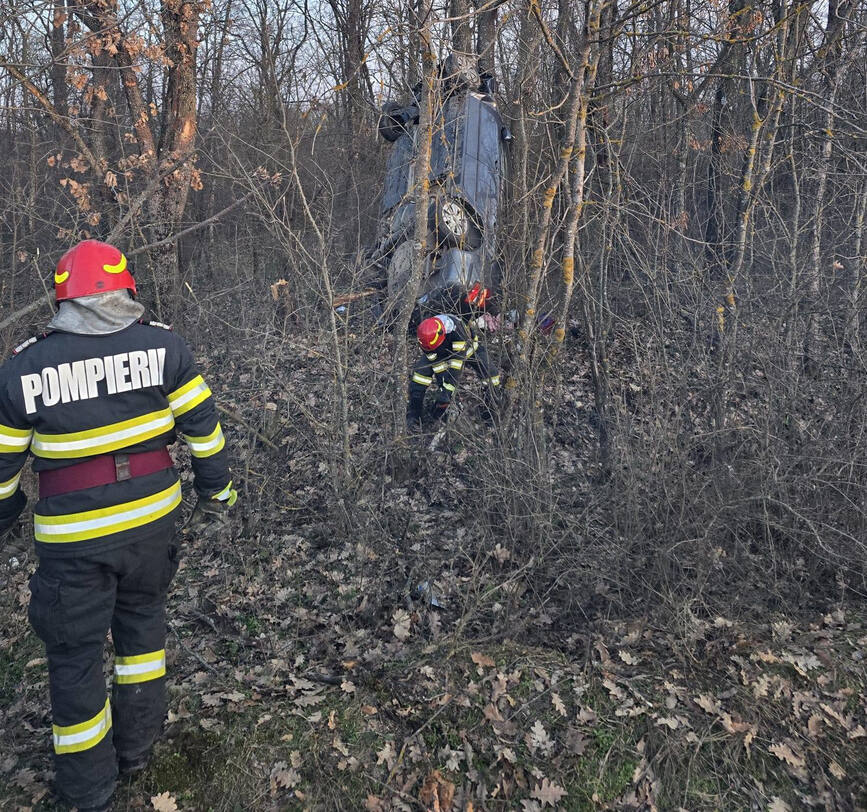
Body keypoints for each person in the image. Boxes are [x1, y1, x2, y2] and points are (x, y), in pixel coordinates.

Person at [0, 239, 237, 811]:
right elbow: (205, 432)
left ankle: (88, 791)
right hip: (153, 526)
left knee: (75, 655)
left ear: (63, 298)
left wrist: (5, 520)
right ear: (125, 287)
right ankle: (137, 750)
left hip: (73, 541)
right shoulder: (165, 347)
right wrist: (216, 496)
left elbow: (3, 470)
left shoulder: (22, 369)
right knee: (142, 634)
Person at [406, 285, 502, 430]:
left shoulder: (458, 330)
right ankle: (414, 415)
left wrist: (447, 391)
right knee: (419, 375)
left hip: (469, 350)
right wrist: (442, 387)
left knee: (491, 376)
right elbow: (435, 360)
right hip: (441, 354)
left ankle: (490, 415)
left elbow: (457, 365)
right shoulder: (425, 331)